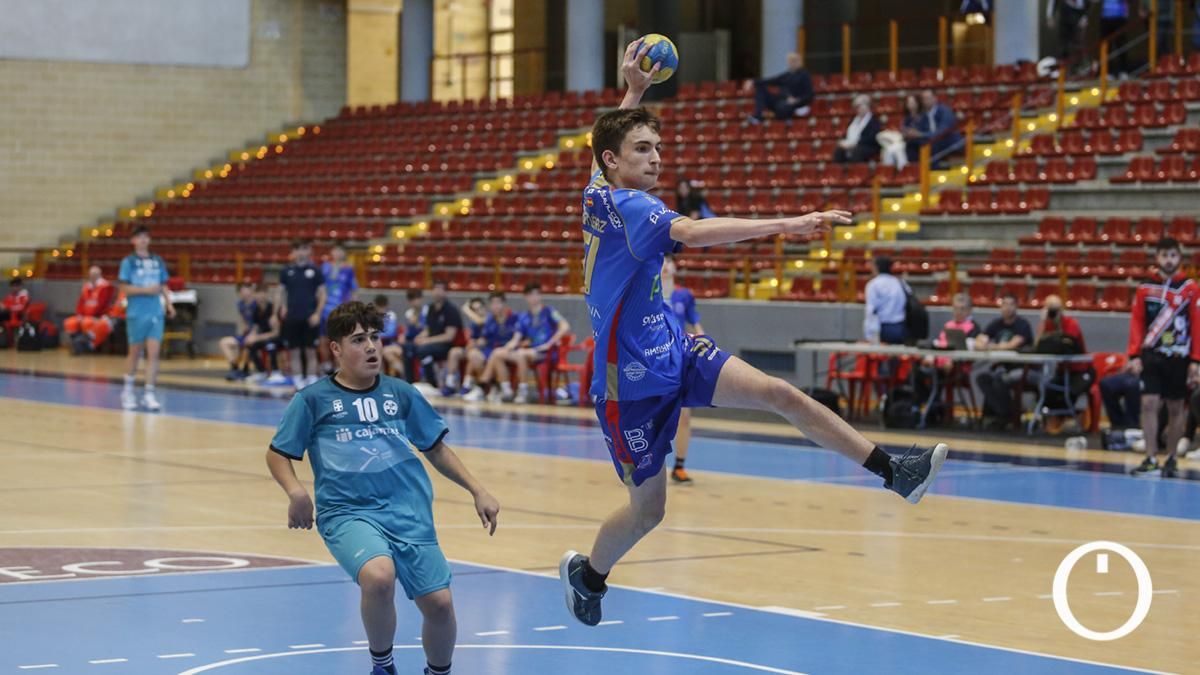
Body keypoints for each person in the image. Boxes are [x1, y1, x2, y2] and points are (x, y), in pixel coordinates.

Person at [559, 39, 949, 628]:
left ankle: (897, 473)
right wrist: (790, 223)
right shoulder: (636, 211)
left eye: (659, 148)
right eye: (643, 149)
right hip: (628, 386)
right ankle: (589, 576)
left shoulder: (598, 192)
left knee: (779, 392)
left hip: (674, 350)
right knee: (648, 512)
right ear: (614, 160)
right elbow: (695, 233)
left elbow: (602, 146)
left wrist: (635, 91)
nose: (657, 158)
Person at [266, 300, 500, 675]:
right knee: (378, 577)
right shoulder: (312, 400)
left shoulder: (402, 393)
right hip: (347, 512)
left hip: (409, 511)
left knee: (440, 605)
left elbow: (436, 448)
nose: (371, 347)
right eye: (359, 340)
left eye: (375, 337)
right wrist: (296, 492)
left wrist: (478, 489)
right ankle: (383, 666)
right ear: (336, 348)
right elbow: (278, 454)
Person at [1127, 238, 1200, 478]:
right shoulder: (1145, 288)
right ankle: (1150, 458)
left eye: (1173, 255)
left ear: (1179, 258)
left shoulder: (1190, 289)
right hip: (1152, 354)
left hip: (1179, 356)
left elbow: (1197, 324)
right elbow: (1137, 322)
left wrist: (1196, 360)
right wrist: (1134, 354)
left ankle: (1171, 458)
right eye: (1164, 255)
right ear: (1157, 258)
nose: (1169, 260)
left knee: (1176, 407)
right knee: (1149, 403)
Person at [118, 226, 176, 411]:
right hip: (136, 312)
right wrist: (146, 290)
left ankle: (149, 393)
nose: (143, 240)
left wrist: (169, 304)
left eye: (146, 237)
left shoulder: (157, 260)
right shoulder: (129, 262)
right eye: (139, 237)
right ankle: (128, 390)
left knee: (154, 353)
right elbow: (125, 288)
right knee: (135, 352)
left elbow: (163, 284)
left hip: (155, 312)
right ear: (133, 241)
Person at [662, 254, 704, 484]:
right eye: (662, 260)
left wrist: (703, 340)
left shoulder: (684, 295)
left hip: (678, 360)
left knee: (684, 416)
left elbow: (696, 323)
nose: (666, 264)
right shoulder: (646, 294)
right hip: (654, 362)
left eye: (670, 260)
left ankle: (679, 466)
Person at [496, 283, 570, 404]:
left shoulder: (549, 312)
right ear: (525, 297)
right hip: (528, 351)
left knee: (521, 354)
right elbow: (516, 338)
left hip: (546, 353)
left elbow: (565, 326)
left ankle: (523, 392)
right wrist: (507, 347)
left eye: (537, 294)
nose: (534, 297)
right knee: (498, 353)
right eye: (531, 295)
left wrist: (550, 343)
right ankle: (506, 391)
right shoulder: (524, 317)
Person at [974, 292, 1035, 429]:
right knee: (983, 378)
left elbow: (1012, 345)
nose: (1007, 308)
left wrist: (991, 346)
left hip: (1020, 368)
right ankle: (1005, 413)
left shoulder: (1022, 325)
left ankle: (1006, 415)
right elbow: (980, 340)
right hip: (1001, 367)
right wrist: (983, 343)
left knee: (999, 379)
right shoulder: (996, 324)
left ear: (1016, 307)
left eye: (1011, 304)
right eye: (1004, 304)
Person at [1034, 294, 1093, 433]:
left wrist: (1058, 325)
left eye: (1055, 309)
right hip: (1062, 371)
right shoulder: (1046, 325)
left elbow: (1065, 345)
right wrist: (1043, 323)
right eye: (1050, 309)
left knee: (1070, 392)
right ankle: (1049, 423)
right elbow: (1037, 347)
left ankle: (1073, 419)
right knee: (1046, 390)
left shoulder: (1071, 324)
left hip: (1081, 370)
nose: (1053, 313)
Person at [279, 239, 327, 389]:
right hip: (292, 317)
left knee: (310, 351)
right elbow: (281, 292)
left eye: (304, 249)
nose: (301, 252)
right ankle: (298, 380)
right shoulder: (286, 271)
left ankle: (311, 380)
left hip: (310, 317)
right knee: (294, 351)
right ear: (293, 252)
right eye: (298, 249)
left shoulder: (316, 271)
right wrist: (282, 307)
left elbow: (322, 294)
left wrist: (317, 313)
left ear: (309, 251)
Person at [461, 292, 520, 403]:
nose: (495, 306)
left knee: (496, 354)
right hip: (490, 349)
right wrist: (474, 345)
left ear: (504, 304)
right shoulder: (490, 320)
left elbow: (518, 336)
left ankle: (482, 388)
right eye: (493, 303)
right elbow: (484, 339)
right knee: (474, 355)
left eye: (498, 303)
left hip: (508, 351)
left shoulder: (514, 317)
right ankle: (492, 387)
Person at [409, 280, 463, 393]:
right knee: (408, 347)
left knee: (423, 350)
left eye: (440, 289)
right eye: (435, 289)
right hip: (433, 344)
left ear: (446, 292)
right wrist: (419, 337)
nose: (437, 292)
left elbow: (449, 336)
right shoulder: (430, 308)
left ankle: (432, 383)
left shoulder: (451, 310)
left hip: (448, 345)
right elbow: (428, 330)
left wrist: (427, 341)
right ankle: (409, 382)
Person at [320, 243, 360, 373]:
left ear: (344, 253)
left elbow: (354, 290)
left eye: (340, 250)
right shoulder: (325, 267)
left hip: (341, 311)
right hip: (325, 310)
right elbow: (319, 288)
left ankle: (339, 366)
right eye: (335, 250)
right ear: (331, 252)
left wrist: (354, 309)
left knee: (340, 339)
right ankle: (326, 365)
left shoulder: (349, 269)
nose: (337, 253)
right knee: (323, 339)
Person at [746, 52, 813, 124]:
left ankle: (782, 118)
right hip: (780, 102)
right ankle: (758, 117)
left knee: (783, 106)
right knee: (760, 87)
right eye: (790, 61)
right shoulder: (786, 75)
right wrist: (753, 81)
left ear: (800, 62)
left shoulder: (805, 75)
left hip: (793, 104)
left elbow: (809, 95)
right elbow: (771, 80)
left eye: (794, 60)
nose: (792, 63)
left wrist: (796, 100)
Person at [64, 266, 115, 354]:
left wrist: (92, 316)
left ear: (99, 275)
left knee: (87, 322)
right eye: (91, 275)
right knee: (70, 322)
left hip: (100, 316)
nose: (93, 276)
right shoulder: (86, 287)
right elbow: (81, 303)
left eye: (95, 275)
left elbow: (103, 304)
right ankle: (75, 344)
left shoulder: (106, 287)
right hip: (85, 315)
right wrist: (80, 315)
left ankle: (88, 347)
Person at [442, 298, 487, 396]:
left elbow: (480, 322)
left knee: (472, 353)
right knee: (454, 352)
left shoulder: (489, 319)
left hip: (485, 352)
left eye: (479, 308)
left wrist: (467, 309)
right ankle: (450, 384)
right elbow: (472, 340)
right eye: (474, 310)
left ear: (485, 308)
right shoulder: (473, 324)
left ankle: (467, 385)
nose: (477, 312)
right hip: (472, 349)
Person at [863, 256, 908, 345]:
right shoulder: (900, 282)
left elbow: (871, 310)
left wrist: (869, 335)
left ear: (877, 267)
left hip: (883, 328)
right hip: (902, 327)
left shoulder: (874, 284)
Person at [219, 282, 259, 380]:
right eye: (242, 291)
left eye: (246, 289)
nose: (245, 292)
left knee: (248, 344)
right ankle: (235, 368)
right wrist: (243, 332)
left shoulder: (257, 303)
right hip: (246, 334)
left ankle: (245, 370)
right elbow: (244, 321)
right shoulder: (240, 304)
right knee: (224, 342)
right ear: (239, 293)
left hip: (257, 334)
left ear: (251, 290)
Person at [243, 284, 282, 383]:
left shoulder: (273, 309)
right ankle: (261, 372)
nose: (260, 296)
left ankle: (276, 372)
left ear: (267, 294)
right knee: (251, 345)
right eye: (258, 293)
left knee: (270, 344)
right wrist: (250, 336)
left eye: (263, 293)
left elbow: (276, 333)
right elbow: (255, 328)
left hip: (278, 338)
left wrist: (258, 337)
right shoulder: (255, 310)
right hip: (263, 338)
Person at [916, 90, 963, 164]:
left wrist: (921, 134)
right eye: (923, 99)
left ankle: (933, 168)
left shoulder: (945, 111)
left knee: (931, 146)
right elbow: (920, 130)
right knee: (913, 145)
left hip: (949, 141)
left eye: (928, 98)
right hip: (934, 142)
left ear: (935, 98)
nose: (925, 101)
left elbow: (941, 132)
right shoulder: (923, 115)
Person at [833, 94, 882, 164]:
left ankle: (856, 171)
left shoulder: (874, 121)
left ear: (867, 106)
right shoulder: (853, 120)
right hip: (853, 145)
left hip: (867, 147)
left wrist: (855, 143)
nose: (857, 109)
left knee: (856, 152)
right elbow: (846, 134)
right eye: (856, 107)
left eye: (859, 106)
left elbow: (872, 138)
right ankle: (839, 170)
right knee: (839, 151)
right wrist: (844, 142)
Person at [1047, 0, 1093, 66]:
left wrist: (1085, 17)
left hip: (1080, 12)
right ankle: (1062, 65)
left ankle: (1080, 65)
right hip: (1066, 10)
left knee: (1078, 42)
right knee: (1063, 42)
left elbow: (1091, 3)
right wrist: (1050, 16)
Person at [374, 294, 404, 376]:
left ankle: (406, 376)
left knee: (386, 353)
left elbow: (391, 332)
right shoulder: (373, 317)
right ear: (376, 306)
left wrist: (377, 334)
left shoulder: (391, 315)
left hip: (391, 344)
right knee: (378, 352)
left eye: (383, 306)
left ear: (386, 305)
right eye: (379, 306)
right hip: (377, 345)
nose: (381, 309)